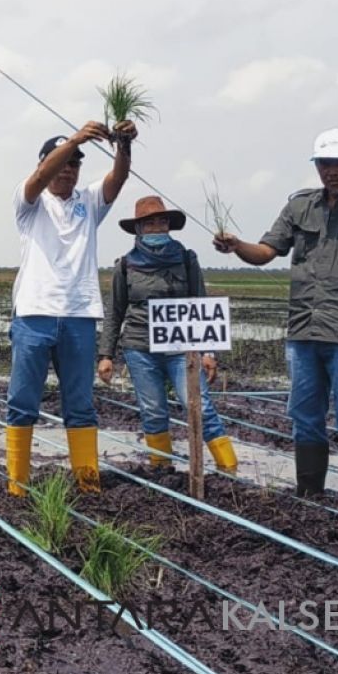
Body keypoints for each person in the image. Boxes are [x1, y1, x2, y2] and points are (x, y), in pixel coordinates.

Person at [214, 128, 338, 503]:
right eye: (325, 163)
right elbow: (265, 251)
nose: (332, 170)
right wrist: (237, 246)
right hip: (304, 332)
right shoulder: (300, 206)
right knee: (305, 418)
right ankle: (310, 496)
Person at [5, 120, 135, 496]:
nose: (68, 169)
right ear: (45, 163)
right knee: (22, 401)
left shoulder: (89, 202)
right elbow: (39, 177)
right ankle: (17, 485)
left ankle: (88, 483)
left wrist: (123, 144)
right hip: (34, 314)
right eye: (62, 161)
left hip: (79, 316)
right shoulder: (29, 201)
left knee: (80, 405)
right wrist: (76, 138)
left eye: (76, 163)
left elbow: (118, 178)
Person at [98, 196, 238, 473]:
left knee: (199, 406)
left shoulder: (186, 259)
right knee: (153, 412)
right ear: (138, 229)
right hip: (139, 349)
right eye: (149, 223)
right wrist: (106, 355)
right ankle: (162, 470)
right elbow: (115, 312)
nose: (156, 227)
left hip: (181, 350)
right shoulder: (125, 265)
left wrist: (209, 353)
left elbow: (201, 305)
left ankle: (230, 470)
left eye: (161, 221)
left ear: (169, 226)